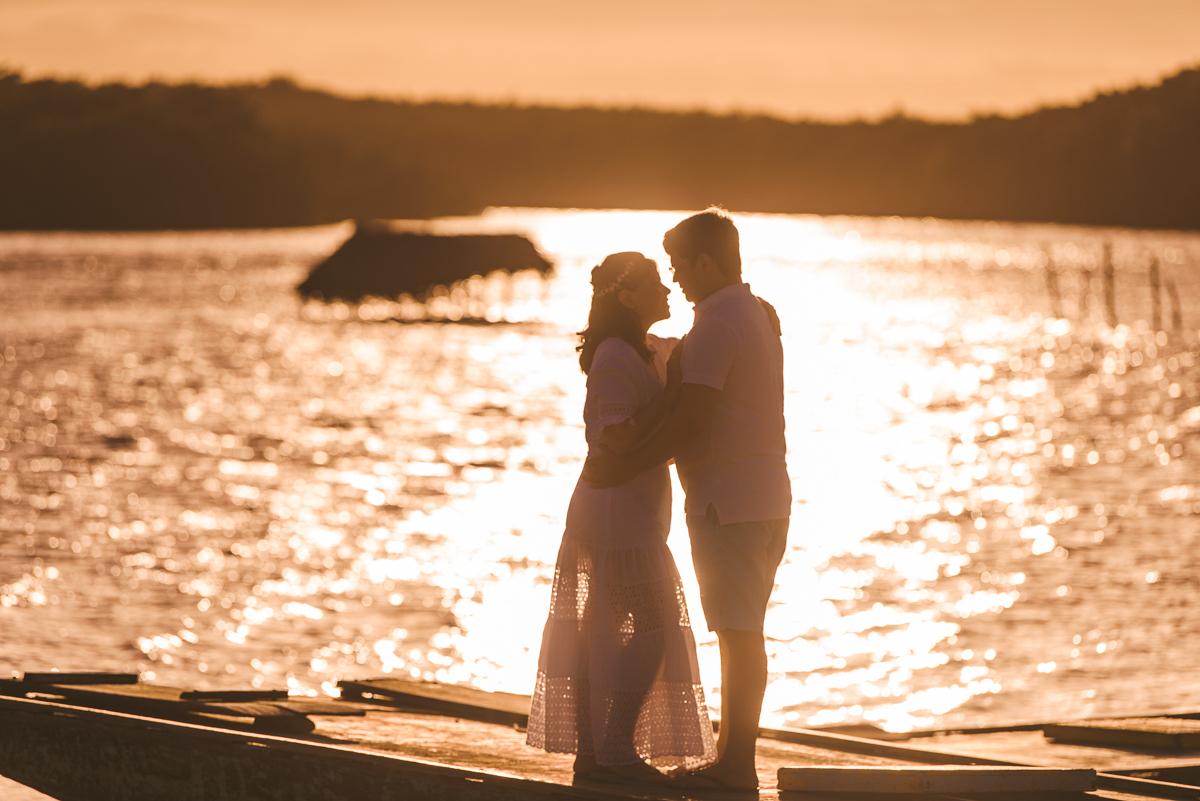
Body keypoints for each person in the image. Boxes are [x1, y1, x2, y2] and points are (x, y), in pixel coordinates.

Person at [584, 209, 790, 792]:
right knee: (741, 631)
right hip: (763, 499)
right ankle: (730, 760)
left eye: (678, 264)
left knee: (738, 634)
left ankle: (734, 767)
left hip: (730, 504)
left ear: (705, 261)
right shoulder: (747, 314)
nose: (674, 276)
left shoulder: (719, 324)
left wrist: (625, 466)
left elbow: (691, 420)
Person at [526, 252, 717, 784]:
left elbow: (699, 347)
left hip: (630, 512)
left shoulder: (650, 348)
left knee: (604, 631)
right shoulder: (613, 355)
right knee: (654, 627)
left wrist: (751, 313)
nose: (667, 289)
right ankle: (615, 748)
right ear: (628, 297)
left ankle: (595, 754)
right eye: (656, 282)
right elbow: (617, 436)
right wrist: (672, 394)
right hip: (614, 516)